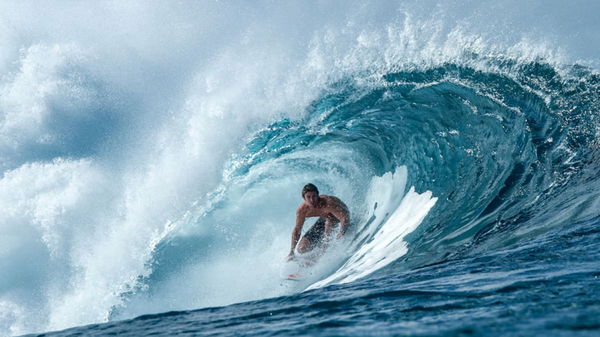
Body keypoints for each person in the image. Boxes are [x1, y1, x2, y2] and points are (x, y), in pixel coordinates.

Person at [287, 183, 350, 261]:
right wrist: (291, 251)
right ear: (304, 198)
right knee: (301, 249)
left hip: (338, 215)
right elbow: (297, 230)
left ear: (318, 195)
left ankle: (324, 251)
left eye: (314, 196)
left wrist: (342, 230)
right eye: (308, 197)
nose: (312, 200)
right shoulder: (302, 211)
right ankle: (319, 247)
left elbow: (344, 217)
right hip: (324, 218)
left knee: (329, 221)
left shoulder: (328, 203)